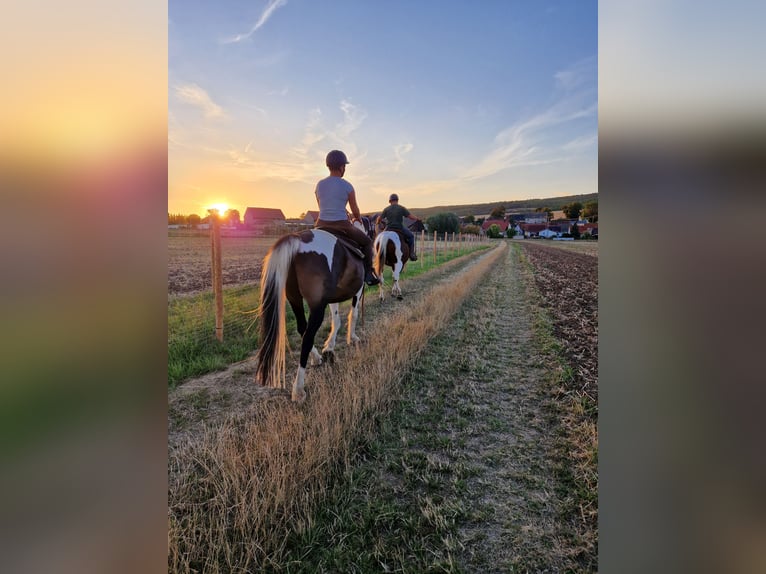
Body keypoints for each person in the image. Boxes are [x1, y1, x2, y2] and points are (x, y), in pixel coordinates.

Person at [314, 150, 380, 286]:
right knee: (367, 242)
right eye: (344, 166)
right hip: (341, 225)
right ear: (341, 167)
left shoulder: (319, 185)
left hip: (320, 225)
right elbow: (355, 209)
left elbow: (322, 206)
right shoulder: (347, 186)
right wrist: (357, 218)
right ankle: (368, 274)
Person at [377, 193, 421, 261]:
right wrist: (417, 218)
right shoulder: (401, 208)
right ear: (397, 200)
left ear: (390, 201)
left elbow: (379, 218)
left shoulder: (386, 209)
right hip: (399, 228)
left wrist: (377, 222)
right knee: (411, 236)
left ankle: (378, 254)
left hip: (388, 228)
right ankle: (411, 254)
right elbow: (410, 216)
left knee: (380, 238)